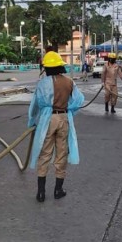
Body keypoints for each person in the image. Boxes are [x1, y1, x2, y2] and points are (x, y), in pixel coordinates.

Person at [28, 51, 84, 202]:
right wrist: (69, 110)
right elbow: (79, 100)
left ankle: (41, 193)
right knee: (61, 154)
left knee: (45, 153)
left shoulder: (42, 84)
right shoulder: (69, 82)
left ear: (47, 68)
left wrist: (32, 121)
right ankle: (58, 190)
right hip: (64, 118)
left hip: (47, 120)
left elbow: (35, 106)